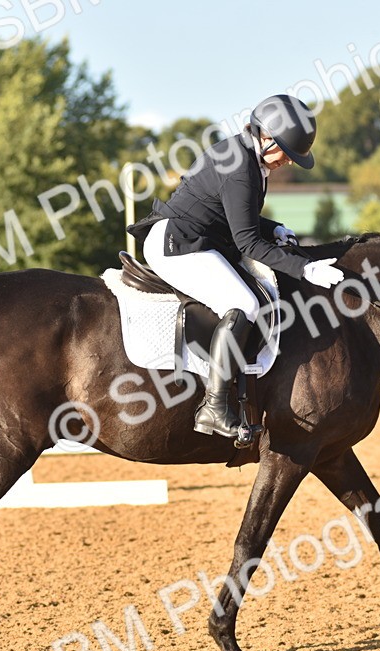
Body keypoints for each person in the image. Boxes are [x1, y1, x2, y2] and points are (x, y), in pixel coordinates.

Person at [130, 94, 343, 441]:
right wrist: (307, 270)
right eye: (287, 151)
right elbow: (248, 244)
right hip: (178, 245)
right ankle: (213, 407)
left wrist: (271, 226)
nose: (289, 161)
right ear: (267, 136)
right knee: (245, 304)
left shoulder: (247, 157)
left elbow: (235, 213)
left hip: (200, 238)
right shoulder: (241, 167)